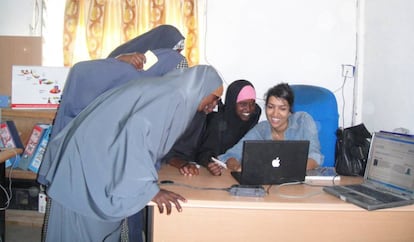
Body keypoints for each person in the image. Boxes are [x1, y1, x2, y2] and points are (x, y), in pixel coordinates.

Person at [41, 65, 223, 241]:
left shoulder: (173, 94)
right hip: (88, 161)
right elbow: (135, 140)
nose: (214, 105)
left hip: (99, 156)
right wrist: (150, 191)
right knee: (81, 228)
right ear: (201, 86)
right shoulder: (171, 96)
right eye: (215, 98)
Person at [218, 83, 323, 171]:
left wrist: (285, 170)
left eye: (282, 108)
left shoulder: (303, 120)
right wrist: (237, 167)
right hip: (269, 186)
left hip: (301, 185)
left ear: (290, 110)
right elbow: (232, 154)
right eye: (271, 107)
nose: (275, 114)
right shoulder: (261, 129)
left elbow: (315, 157)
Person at [196, 79, 262, 176]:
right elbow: (203, 152)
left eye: (252, 104)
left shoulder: (254, 115)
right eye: (243, 104)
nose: (248, 109)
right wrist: (209, 163)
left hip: (240, 171)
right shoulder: (217, 121)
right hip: (218, 174)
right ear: (232, 103)